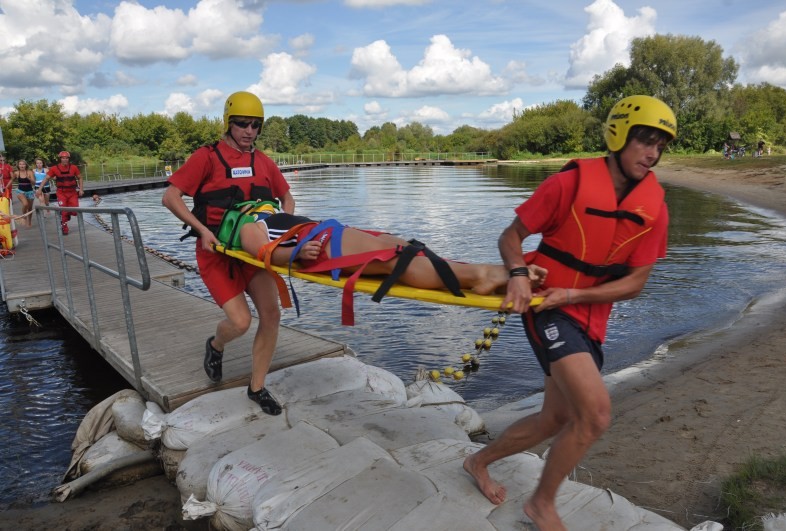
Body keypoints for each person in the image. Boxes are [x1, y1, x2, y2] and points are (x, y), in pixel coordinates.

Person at [462, 95, 676, 530]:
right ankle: (542, 504)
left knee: (556, 417)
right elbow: (511, 237)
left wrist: (575, 297)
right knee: (595, 415)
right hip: (545, 308)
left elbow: (636, 283)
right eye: (644, 141)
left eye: (660, 145)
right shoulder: (568, 184)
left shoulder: (655, 207)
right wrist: (519, 275)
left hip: (583, 314)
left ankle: (477, 461)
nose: (652, 153)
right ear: (619, 136)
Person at [161, 91, 296, 416]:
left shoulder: (262, 162)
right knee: (240, 322)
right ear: (228, 123)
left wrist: (283, 230)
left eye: (255, 126)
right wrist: (203, 230)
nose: (249, 131)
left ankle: (257, 387)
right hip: (217, 254)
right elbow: (171, 197)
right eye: (242, 124)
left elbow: (286, 197)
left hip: (254, 254)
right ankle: (216, 345)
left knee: (272, 315)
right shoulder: (207, 157)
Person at [234, 209, 545, 310]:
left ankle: (489, 274)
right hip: (322, 245)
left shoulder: (274, 214)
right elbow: (264, 253)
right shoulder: (249, 225)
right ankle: (484, 276)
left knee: (409, 248)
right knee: (399, 259)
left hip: (329, 233)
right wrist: (297, 254)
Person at [37, 151, 83, 235]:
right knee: (63, 210)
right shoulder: (54, 168)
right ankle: (64, 227)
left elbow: (80, 178)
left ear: (68, 159)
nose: (65, 160)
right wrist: (40, 189)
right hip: (61, 193)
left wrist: (81, 189)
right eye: (63, 158)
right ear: (60, 159)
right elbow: (46, 178)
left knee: (75, 211)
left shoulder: (74, 168)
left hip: (72, 192)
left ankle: (68, 214)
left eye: (66, 158)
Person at [12, 159, 35, 227]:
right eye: (20, 164)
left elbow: (34, 183)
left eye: (23, 164)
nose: (22, 165)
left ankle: (29, 221)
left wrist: (29, 178)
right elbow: (11, 180)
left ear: (26, 165)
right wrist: (6, 187)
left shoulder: (30, 172)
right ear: (18, 165)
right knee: (25, 204)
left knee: (30, 208)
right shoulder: (16, 173)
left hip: (30, 191)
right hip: (20, 191)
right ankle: (24, 217)